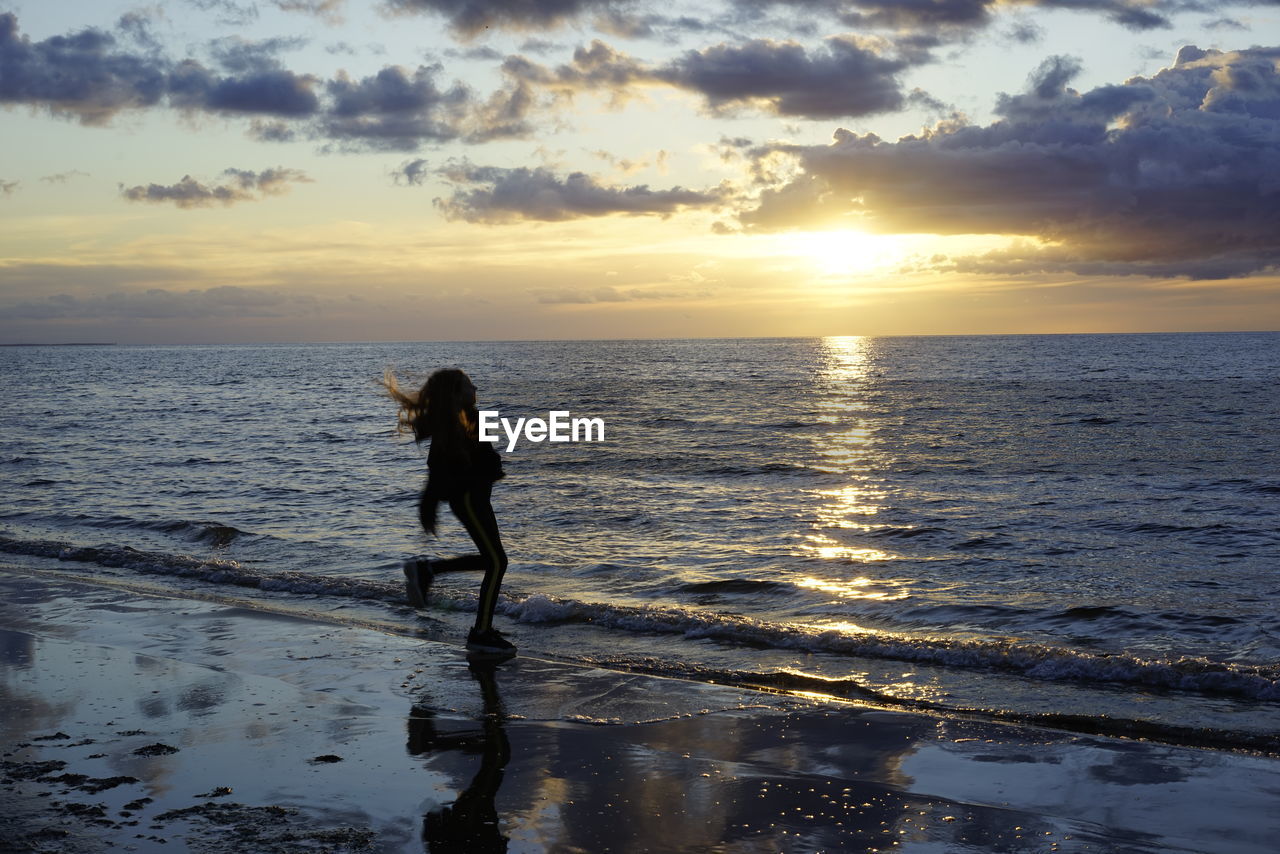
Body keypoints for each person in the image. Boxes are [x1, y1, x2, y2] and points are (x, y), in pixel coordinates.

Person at [383, 368, 514, 657]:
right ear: (457, 392)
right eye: (469, 384)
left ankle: (428, 570)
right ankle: (481, 633)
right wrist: (428, 503)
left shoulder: (472, 417)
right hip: (469, 499)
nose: (475, 386)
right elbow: (438, 467)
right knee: (497, 562)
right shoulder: (454, 423)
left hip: (477, 499)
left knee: (493, 560)